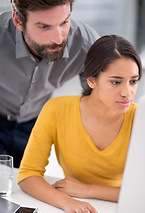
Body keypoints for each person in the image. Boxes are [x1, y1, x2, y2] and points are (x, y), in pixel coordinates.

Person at [18, 35, 142, 213]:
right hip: (74, 212)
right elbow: (28, 175)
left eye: (133, 81)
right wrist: (67, 202)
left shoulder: (142, 119)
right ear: (92, 80)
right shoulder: (57, 110)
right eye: (116, 82)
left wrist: (88, 190)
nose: (127, 92)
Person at [0, 0, 99, 168]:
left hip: (34, 126)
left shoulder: (86, 45)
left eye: (64, 22)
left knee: (23, 186)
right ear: (18, 21)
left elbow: (100, 102)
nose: (59, 38)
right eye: (44, 27)